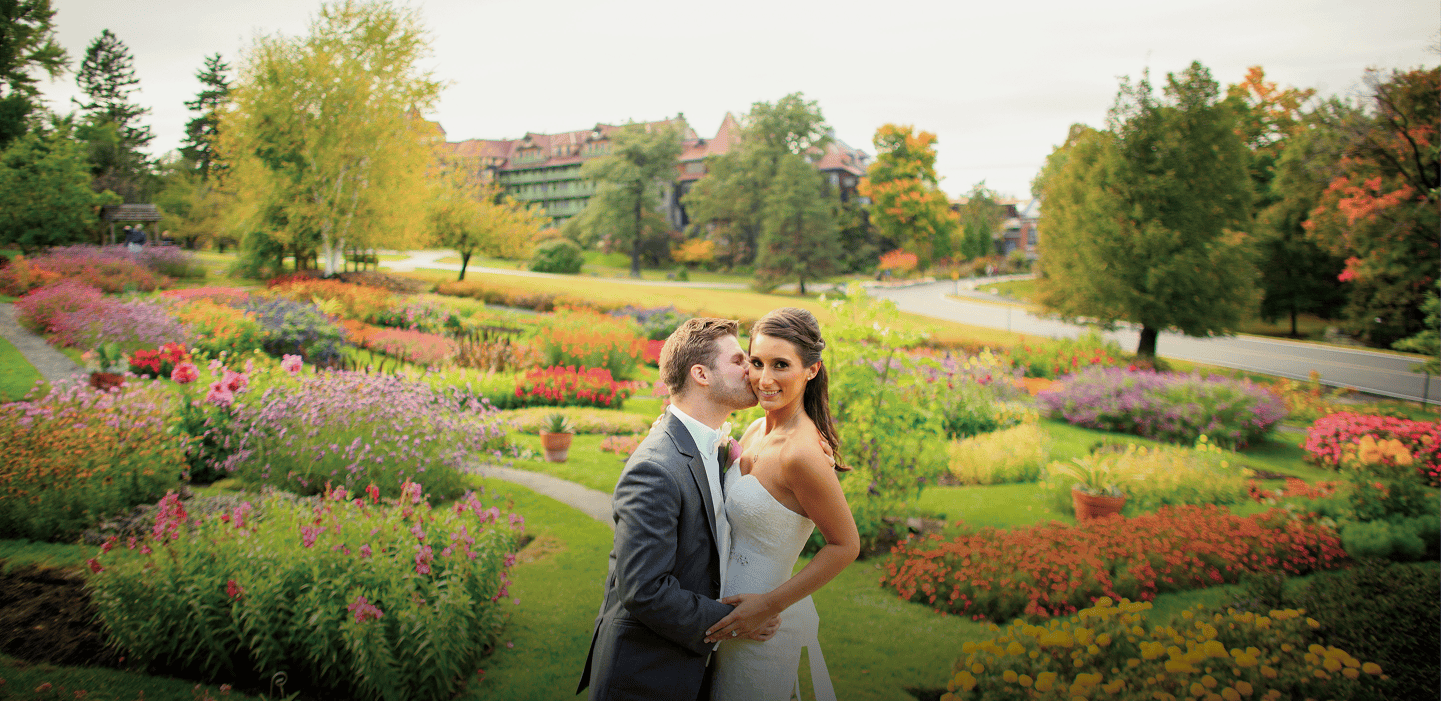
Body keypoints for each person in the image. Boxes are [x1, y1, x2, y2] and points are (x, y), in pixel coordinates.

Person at [578, 317, 777, 701]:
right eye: (739, 360)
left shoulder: (708, 446)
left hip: (687, 671)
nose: (752, 369)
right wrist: (737, 622)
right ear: (701, 374)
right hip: (644, 677)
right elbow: (645, 589)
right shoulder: (655, 469)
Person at [704, 307, 859, 701]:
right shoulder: (757, 427)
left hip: (762, 628)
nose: (764, 379)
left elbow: (846, 545)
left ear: (811, 370)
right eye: (756, 362)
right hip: (723, 618)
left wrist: (768, 605)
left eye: (781, 365)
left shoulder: (801, 454)